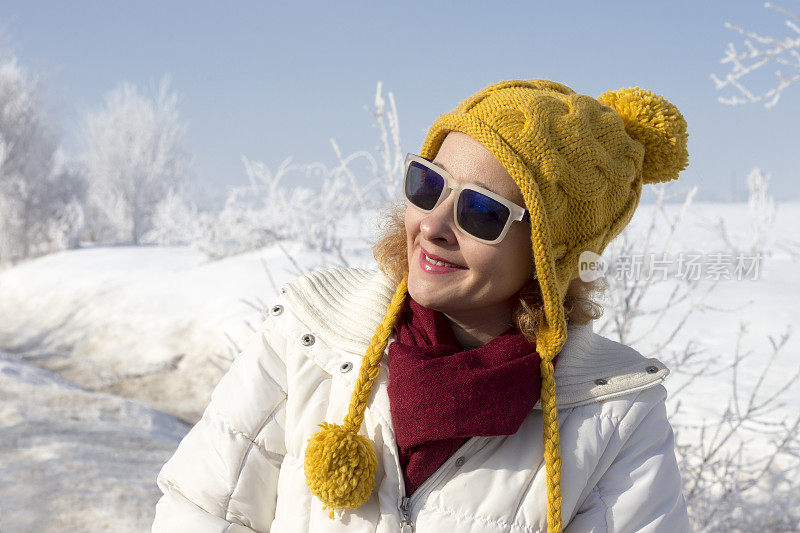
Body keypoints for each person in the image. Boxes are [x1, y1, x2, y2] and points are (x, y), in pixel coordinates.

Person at [152, 79, 691, 532]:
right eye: (427, 183)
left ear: (549, 255)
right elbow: (199, 511)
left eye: (481, 211)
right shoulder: (308, 335)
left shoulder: (615, 415)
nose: (433, 226)